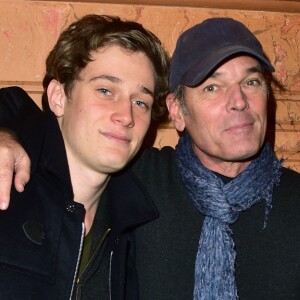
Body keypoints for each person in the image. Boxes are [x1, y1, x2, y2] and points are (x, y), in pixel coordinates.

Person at [1, 17, 300, 299]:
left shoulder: (127, 197)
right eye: (212, 86)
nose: (239, 102)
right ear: (177, 111)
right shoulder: (142, 185)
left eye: (252, 82)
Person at [0, 14, 169, 299]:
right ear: (58, 97)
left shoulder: (131, 228)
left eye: (141, 101)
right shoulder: (9, 185)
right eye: (105, 90)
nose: (126, 116)